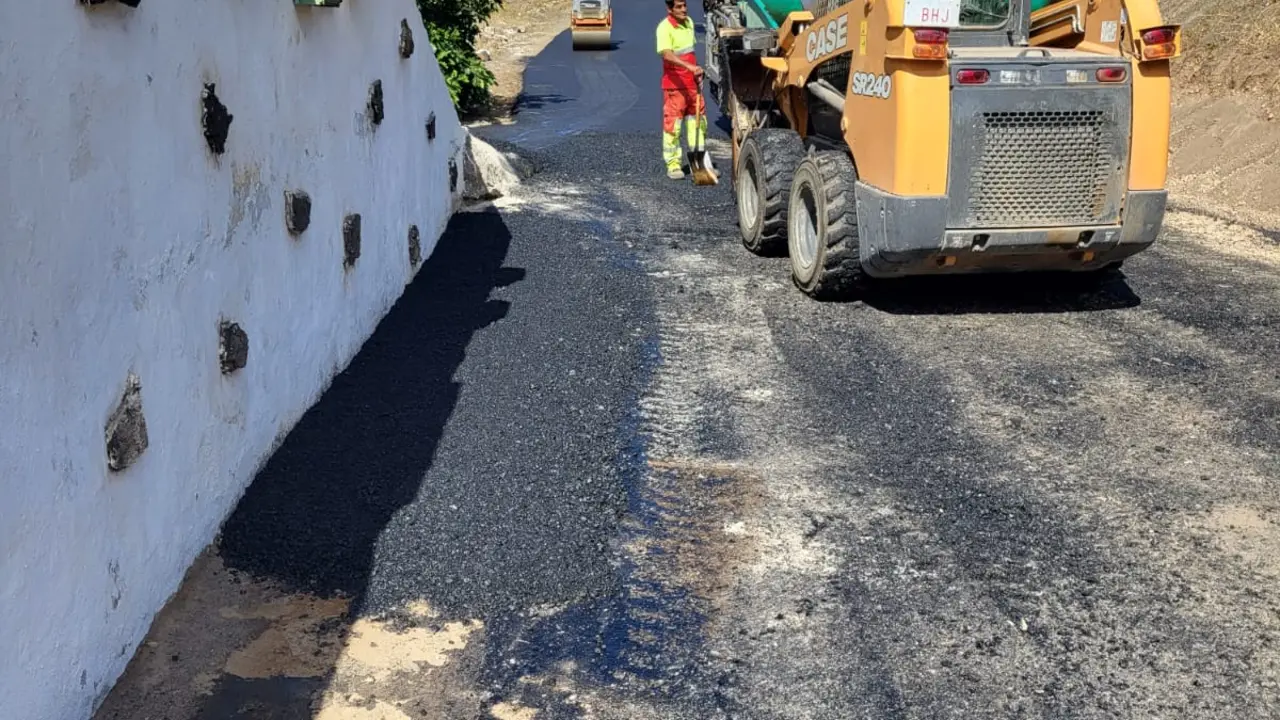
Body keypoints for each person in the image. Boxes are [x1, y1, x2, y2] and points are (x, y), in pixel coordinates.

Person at [656, 0, 709, 180]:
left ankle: (698, 163)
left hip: (692, 84)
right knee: (674, 126)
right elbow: (667, 54)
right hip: (675, 86)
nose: (684, 9)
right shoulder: (664, 28)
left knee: (698, 123)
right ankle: (673, 164)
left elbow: (689, 53)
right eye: (678, 7)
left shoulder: (689, 23)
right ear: (669, 9)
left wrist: (696, 70)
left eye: (684, 5)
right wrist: (689, 67)